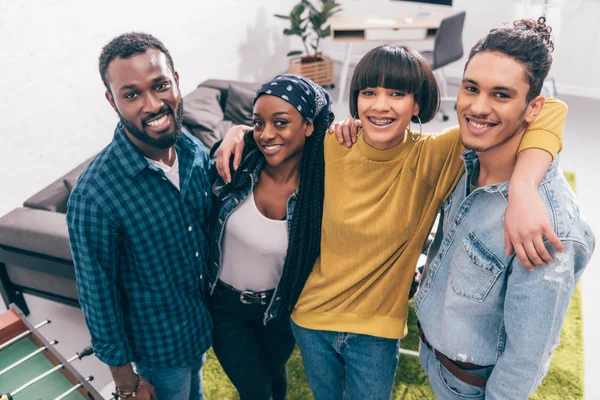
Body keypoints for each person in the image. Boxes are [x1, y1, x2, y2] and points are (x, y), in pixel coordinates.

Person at [216, 45, 566, 399]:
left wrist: (522, 188)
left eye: (396, 94)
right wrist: (238, 133)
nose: (380, 105)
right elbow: (279, 131)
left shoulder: (434, 155)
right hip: (309, 320)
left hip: (375, 334)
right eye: (369, 92)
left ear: (417, 104)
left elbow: (551, 109)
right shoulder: (331, 146)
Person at [415, 17, 595, 400]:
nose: (478, 108)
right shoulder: (465, 159)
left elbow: (525, 360)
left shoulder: (548, 227)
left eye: (501, 95)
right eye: (471, 88)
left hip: (468, 386)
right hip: (433, 355)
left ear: (533, 108)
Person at [66, 32, 213, 400]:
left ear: (176, 82)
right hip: (158, 352)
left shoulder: (193, 148)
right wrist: (125, 382)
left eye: (160, 85)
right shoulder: (94, 196)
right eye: (131, 94)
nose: (152, 105)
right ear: (112, 101)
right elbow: (98, 298)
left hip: (200, 329)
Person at [206, 74, 333, 400]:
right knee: (256, 391)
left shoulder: (322, 188)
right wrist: (236, 132)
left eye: (280, 122)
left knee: (275, 374)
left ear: (308, 126)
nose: (266, 134)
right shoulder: (236, 165)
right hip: (225, 308)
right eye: (258, 123)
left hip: (279, 310)